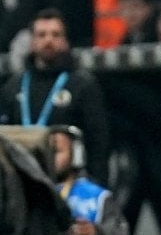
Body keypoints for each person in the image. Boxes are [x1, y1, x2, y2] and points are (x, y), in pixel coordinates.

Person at [0, 10, 111, 184]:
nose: (48, 40)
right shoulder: (14, 86)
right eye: (41, 35)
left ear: (65, 41)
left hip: (70, 182)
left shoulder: (82, 85)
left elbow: (98, 142)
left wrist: (97, 185)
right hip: (23, 182)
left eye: (55, 34)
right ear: (32, 42)